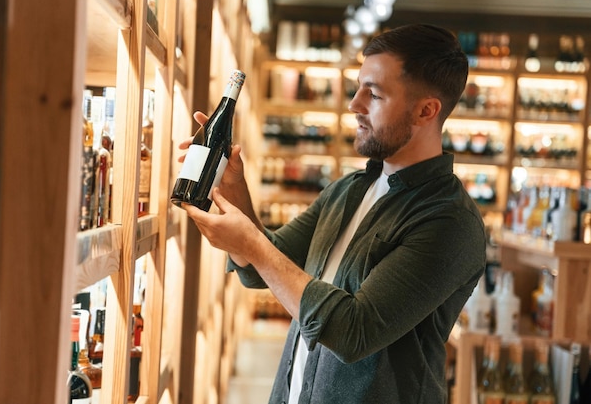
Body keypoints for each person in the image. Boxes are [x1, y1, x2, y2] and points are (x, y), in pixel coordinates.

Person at [182, 24, 487, 404]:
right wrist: (232, 189)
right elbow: (270, 265)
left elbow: (353, 331)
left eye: (373, 94)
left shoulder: (450, 222)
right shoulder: (349, 189)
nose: (354, 104)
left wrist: (252, 245)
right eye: (359, 87)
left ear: (426, 110)